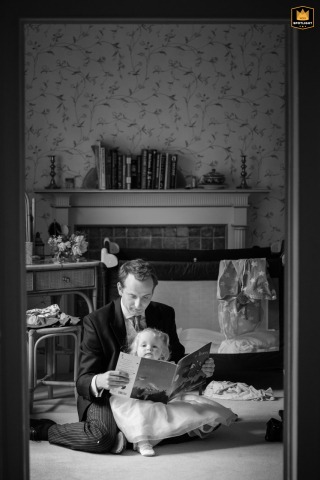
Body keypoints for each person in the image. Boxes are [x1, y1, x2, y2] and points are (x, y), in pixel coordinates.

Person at [30, 258, 216, 454]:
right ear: (119, 288)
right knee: (101, 438)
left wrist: (198, 369)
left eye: (146, 297)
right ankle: (44, 429)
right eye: (133, 296)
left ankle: (128, 438)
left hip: (152, 398)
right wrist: (100, 380)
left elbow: (177, 358)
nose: (139, 304)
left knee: (209, 421)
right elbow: (83, 381)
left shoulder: (164, 313)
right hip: (108, 398)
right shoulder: (96, 321)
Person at [110, 328, 237, 456]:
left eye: (154, 347)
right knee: (139, 412)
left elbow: (176, 384)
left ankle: (140, 441)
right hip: (134, 401)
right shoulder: (131, 364)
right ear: (136, 350)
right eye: (144, 345)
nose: (149, 348)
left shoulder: (166, 366)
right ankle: (142, 442)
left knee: (200, 416)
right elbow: (120, 384)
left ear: (161, 353)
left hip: (160, 400)